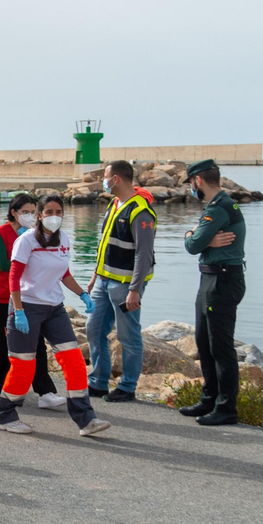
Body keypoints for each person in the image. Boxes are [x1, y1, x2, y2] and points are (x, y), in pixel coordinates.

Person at [0, 195, 110, 438]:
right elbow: (14, 277)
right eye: (48, 211)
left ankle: (86, 419)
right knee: (24, 368)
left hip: (54, 309)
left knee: (75, 363)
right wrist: (18, 311)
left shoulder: (64, 239)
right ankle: (5, 415)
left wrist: (82, 294)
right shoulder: (26, 241)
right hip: (26, 306)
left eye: (58, 211)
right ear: (39, 215)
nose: (54, 216)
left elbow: (64, 272)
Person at [179, 160, 247, 426]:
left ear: (198, 181)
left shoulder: (219, 208)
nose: (192, 189)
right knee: (204, 343)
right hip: (210, 277)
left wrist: (193, 234)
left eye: (191, 184)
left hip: (222, 280)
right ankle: (209, 398)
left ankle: (226, 407)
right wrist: (205, 238)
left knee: (220, 346)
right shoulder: (216, 206)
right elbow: (201, 243)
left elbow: (193, 245)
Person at [85, 160, 158, 402]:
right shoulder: (115, 204)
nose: (103, 181)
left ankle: (128, 386)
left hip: (125, 286)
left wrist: (135, 290)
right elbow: (105, 243)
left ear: (115, 179)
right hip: (105, 281)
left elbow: (144, 254)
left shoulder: (140, 210)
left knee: (128, 336)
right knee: (94, 329)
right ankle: (98, 382)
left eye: (105, 176)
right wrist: (95, 275)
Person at [0, 194, 64, 408]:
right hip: (3, 298)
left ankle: (45, 392)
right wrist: (26, 256)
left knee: (37, 343)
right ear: (14, 212)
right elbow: (3, 265)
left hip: (29, 298)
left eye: (33, 212)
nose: (31, 216)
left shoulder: (35, 236)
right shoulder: (0, 234)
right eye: (26, 212)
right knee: (3, 345)